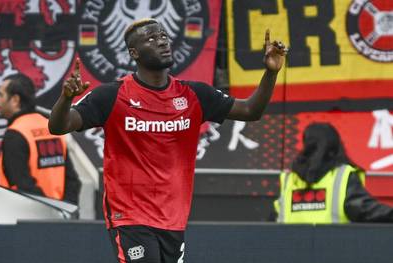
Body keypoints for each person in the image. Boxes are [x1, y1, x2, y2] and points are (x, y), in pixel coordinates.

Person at [49, 18, 287, 262]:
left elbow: (250, 111)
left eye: (163, 36)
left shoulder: (193, 95)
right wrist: (66, 99)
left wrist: (270, 72)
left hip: (173, 219)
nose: (162, 42)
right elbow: (59, 126)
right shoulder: (112, 95)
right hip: (130, 217)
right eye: (151, 39)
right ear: (134, 53)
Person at [273, 122, 393, 223]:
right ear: (335, 146)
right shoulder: (342, 176)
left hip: (291, 249)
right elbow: (364, 209)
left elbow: (273, 219)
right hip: (334, 247)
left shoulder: (289, 179)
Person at [0, 73, 81, 205]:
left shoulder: (16, 133)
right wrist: (64, 212)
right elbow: (72, 180)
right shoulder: (51, 128)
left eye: (1, 95)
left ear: (15, 100)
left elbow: (22, 185)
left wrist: (48, 212)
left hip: (25, 217)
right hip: (58, 217)